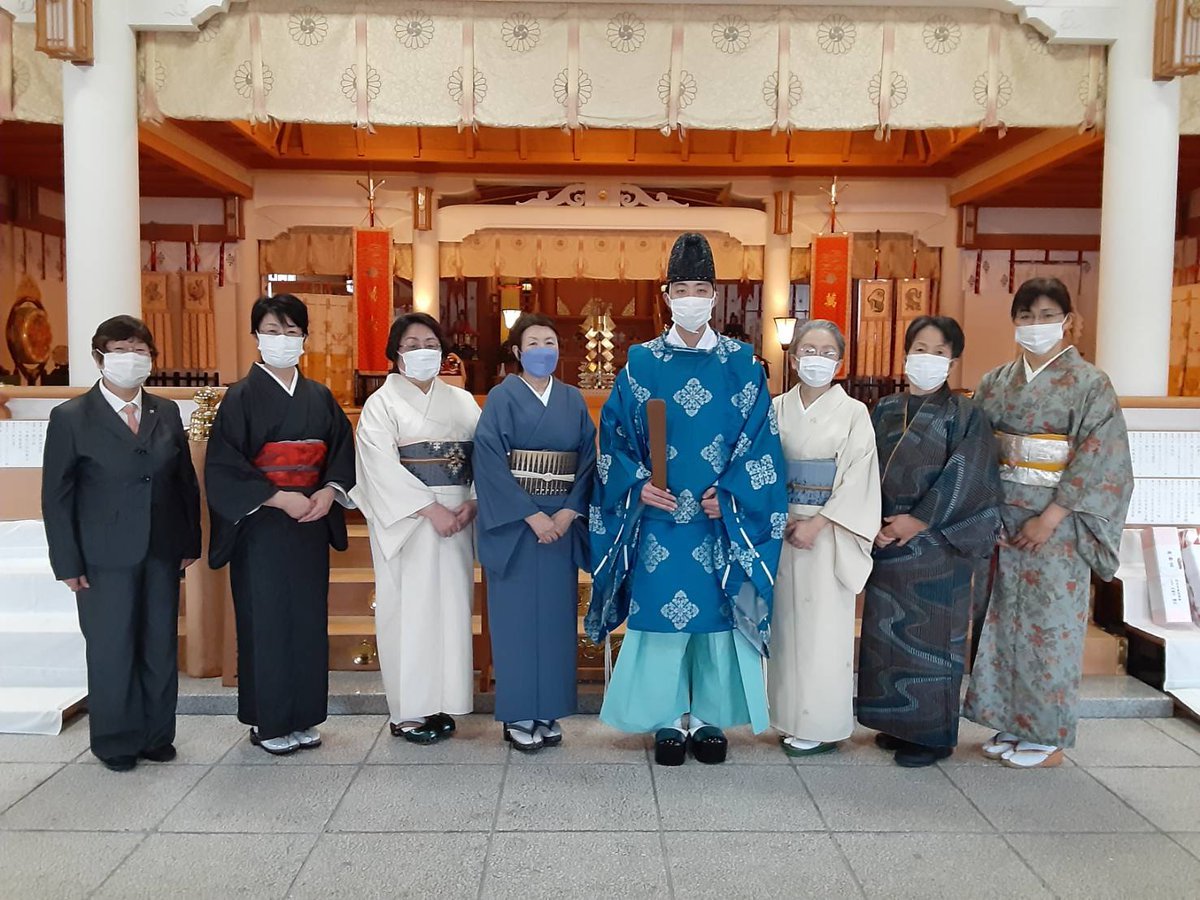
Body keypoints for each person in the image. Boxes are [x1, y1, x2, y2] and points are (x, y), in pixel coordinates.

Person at [586, 232, 787, 766]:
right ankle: (666, 718)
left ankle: (708, 717)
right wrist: (634, 482)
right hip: (661, 516)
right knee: (661, 619)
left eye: (702, 287)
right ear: (666, 295)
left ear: (714, 295)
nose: (692, 296)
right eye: (683, 287)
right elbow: (614, 437)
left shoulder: (742, 363)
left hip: (721, 520)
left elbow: (760, 440)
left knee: (716, 621)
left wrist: (735, 494)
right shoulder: (640, 363)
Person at [964, 278, 1133, 769]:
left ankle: (1046, 733)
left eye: (1045, 315)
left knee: (1049, 625)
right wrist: (985, 510)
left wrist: (1053, 515)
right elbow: (979, 451)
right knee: (997, 621)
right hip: (1002, 518)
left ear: (1068, 321)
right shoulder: (996, 380)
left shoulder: (1089, 384)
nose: (1035, 325)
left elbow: (1102, 458)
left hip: (1057, 527)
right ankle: (1009, 721)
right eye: (1026, 315)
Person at [41, 316, 200, 771]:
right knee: (112, 647)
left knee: (158, 645)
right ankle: (115, 740)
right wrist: (66, 561)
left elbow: (184, 482)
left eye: (140, 350)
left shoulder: (165, 412)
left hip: (162, 549)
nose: (132, 358)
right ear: (99, 358)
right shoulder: (71, 417)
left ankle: (155, 735)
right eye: (121, 349)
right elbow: (56, 496)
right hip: (101, 555)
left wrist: (189, 541)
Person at [205, 294, 355, 756]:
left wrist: (329, 491)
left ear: (305, 339)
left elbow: (340, 451)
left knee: (308, 621)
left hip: (311, 518)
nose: (283, 340)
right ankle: (269, 721)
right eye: (272, 331)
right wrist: (276, 496)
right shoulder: (240, 396)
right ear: (256, 337)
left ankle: (303, 715)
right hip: (263, 525)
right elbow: (225, 464)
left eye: (292, 332)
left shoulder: (319, 396)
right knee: (265, 620)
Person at [857, 316, 1002, 767]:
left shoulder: (967, 415)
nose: (928, 358)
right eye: (920, 348)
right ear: (905, 353)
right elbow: (860, 469)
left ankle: (934, 735)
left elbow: (969, 476)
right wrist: (874, 522)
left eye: (939, 352)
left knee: (931, 638)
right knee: (886, 634)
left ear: (953, 361)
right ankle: (897, 722)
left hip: (938, 546)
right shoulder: (883, 409)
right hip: (886, 538)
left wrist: (915, 521)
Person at [351, 313, 480, 745]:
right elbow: (378, 466)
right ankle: (407, 712)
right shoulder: (381, 405)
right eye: (411, 343)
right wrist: (430, 509)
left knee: (451, 611)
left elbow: (486, 454)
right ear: (396, 353)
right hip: (410, 521)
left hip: (459, 516)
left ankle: (442, 701)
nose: (422, 350)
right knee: (409, 612)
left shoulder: (462, 402)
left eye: (430, 342)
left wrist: (475, 501)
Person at [473, 314, 596, 751]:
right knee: (517, 622)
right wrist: (531, 516)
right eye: (534, 342)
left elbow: (586, 460)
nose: (543, 349)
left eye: (550, 342)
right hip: (518, 528)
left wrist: (567, 513)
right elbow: (488, 460)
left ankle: (549, 710)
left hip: (559, 525)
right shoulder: (502, 398)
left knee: (556, 621)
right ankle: (519, 712)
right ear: (517, 352)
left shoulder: (573, 399)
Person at [768, 320, 880, 757]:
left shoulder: (854, 413)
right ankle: (786, 714)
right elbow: (762, 468)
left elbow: (859, 476)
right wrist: (774, 516)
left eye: (827, 351)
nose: (817, 358)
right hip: (780, 529)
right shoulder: (776, 408)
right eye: (808, 350)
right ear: (794, 359)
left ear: (840, 361)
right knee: (785, 627)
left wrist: (818, 523)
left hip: (828, 531)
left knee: (823, 631)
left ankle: (821, 722)